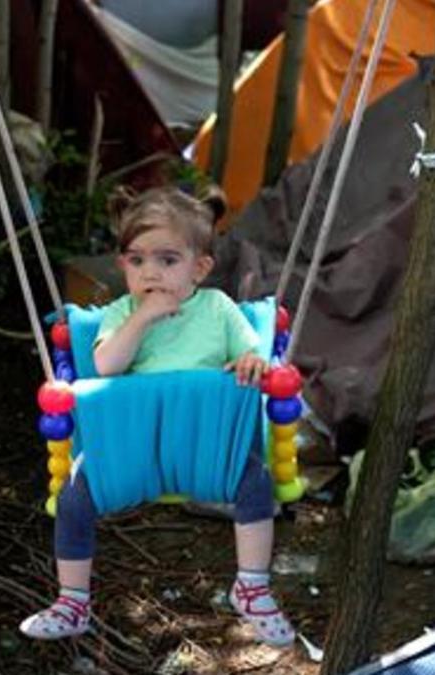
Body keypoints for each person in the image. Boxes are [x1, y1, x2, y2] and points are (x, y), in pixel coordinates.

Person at [19, 186, 295, 646]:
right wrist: (141, 318)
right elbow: (105, 366)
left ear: (200, 267)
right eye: (137, 260)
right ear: (123, 263)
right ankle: (72, 601)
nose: (151, 273)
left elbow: (253, 353)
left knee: (256, 485)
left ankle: (252, 587)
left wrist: (251, 362)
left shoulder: (219, 309)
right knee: (73, 498)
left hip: (207, 451)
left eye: (167, 260)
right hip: (132, 453)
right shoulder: (119, 313)